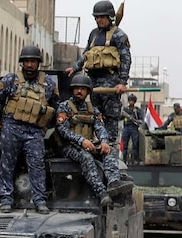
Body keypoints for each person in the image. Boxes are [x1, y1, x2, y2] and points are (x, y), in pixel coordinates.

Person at [0, 44, 59, 213]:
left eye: (33, 61)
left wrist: (45, 127)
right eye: (27, 61)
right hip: (11, 127)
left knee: (37, 165)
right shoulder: (10, 80)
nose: (29, 65)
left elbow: (56, 109)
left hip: (34, 130)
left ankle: (39, 200)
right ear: (22, 63)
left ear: (38, 63)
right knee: (6, 163)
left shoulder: (48, 84)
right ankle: (6, 199)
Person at [55, 74, 132, 208]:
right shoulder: (64, 107)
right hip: (69, 147)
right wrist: (82, 141)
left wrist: (104, 142)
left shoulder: (93, 110)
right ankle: (102, 194)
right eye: (77, 88)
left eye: (83, 89)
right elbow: (63, 130)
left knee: (109, 151)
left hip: (88, 144)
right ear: (72, 90)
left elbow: (100, 128)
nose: (79, 91)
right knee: (86, 157)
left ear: (88, 92)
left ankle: (113, 183)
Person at [66, 0, 132, 142]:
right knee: (95, 114)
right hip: (93, 83)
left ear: (110, 17)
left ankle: (110, 147)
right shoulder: (94, 34)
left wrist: (122, 82)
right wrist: (75, 68)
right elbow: (86, 54)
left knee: (111, 116)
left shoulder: (118, 35)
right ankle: (98, 142)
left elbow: (126, 59)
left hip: (110, 83)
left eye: (102, 17)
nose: (99, 20)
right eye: (97, 17)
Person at [120, 94, 142, 164]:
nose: (131, 102)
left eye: (132, 101)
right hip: (126, 127)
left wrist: (138, 121)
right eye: (130, 101)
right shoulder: (125, 109)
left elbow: (141, 119)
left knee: (135, 144)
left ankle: (135, 159)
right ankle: (124, 159)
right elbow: (120, 117)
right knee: (125, 144)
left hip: (134, 127)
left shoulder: (137, 110)